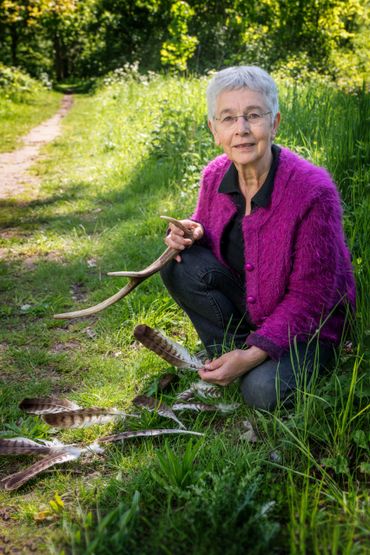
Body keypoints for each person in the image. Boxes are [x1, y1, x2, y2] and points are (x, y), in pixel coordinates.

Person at [160, 66, 355, 410]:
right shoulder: (215, 174)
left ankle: (247, 359)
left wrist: (253, 356)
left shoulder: (312, 192)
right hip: (254, 305)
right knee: (178, 264)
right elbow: (208, 225)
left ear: (275, 122)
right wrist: (192, 231)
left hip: (309, 324)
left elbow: (313, 297)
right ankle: (232, 353)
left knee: (261, 391)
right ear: (214, 129)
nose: (242, 130)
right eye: (229, 118)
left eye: (253, 115)